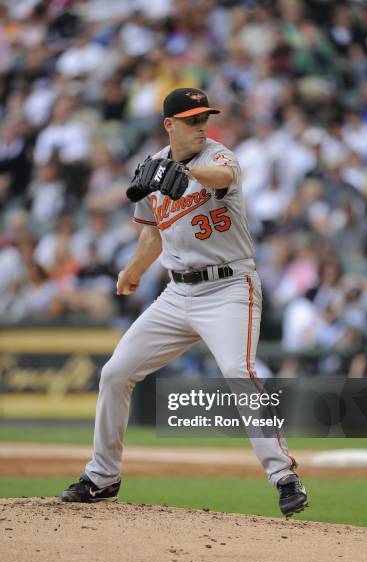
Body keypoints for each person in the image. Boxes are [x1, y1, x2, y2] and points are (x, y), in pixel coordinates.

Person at [60, 88, 308, 517]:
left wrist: (181, 168)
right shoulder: (153, 169)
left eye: (204, 118)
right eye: (191, 120)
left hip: (230, 287)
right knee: (115, 372)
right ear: (169, 124)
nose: (201, 126)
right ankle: (102, 477)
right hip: (177, 293)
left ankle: (284, 475)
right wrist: (133, 271)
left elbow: (220, 178)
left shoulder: (219, 157)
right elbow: (152, 232)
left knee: (238, 370)